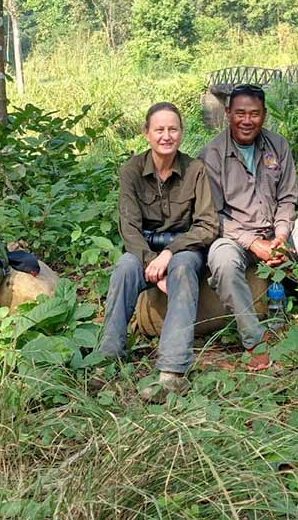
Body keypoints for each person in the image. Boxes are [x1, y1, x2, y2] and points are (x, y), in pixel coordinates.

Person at [200, 84, 298, 371]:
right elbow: (213, 216)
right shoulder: (211, 155)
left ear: (264, 115)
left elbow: (288, 198)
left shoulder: (277, 145)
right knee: (220, 258)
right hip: (236, 238)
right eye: (240, 113)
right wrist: (252, 242)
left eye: (254, 113)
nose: (247, 120)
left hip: (278, 230)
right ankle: (254, 339)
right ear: (228, 113)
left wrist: (281, 235)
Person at [98, 102, 219, 397]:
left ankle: (172, 371)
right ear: (147, 134)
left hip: (185, 247)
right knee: (125, 268)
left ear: (181, 132)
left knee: (183, 267)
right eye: (159, 129)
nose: (167, 136)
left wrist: (168, 255)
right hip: (145, 248)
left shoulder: (195, 170)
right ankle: (108, 359)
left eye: (173, 129)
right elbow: (129, 229)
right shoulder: (132, 171)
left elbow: (207, 225)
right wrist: (151, 261)